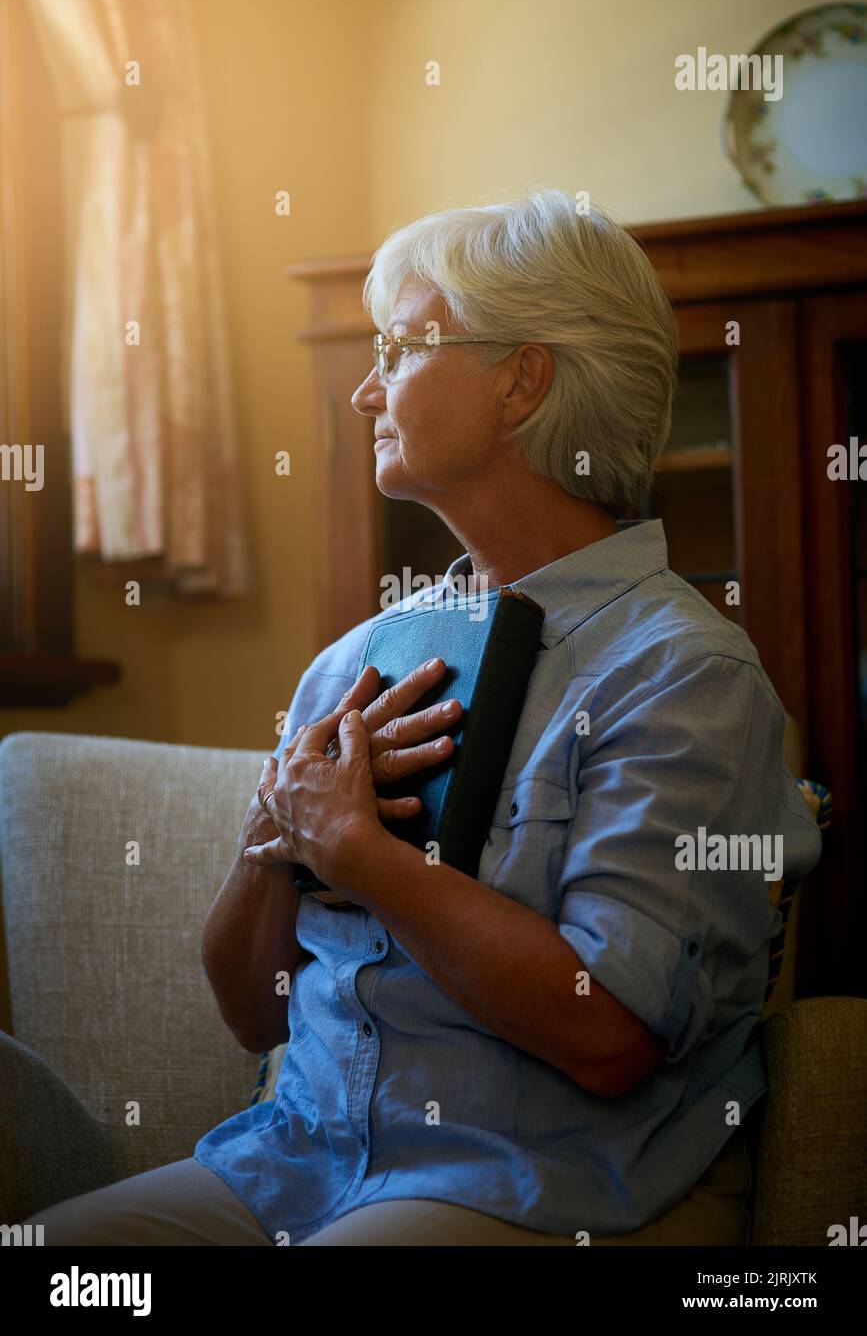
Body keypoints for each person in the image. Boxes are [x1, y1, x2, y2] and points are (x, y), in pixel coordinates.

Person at [28, 188, 821, 1246]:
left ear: (523, 380)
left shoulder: (684, 675)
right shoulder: (355, 664)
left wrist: (359, 853)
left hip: (529, 1182)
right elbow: (253, 1012)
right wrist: (277, 841)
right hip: (286, 1165)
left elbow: (610, 1032)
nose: (364, 390)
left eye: (399, 347)